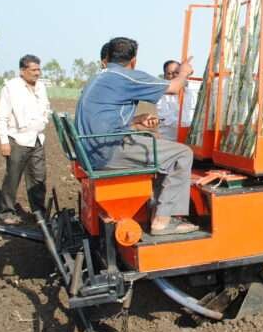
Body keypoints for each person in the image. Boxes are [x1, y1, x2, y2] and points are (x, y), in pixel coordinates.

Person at [76, 37, 197, 236]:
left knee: (157, 146)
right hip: (107, 151)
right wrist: (184, 71)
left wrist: (135, 121)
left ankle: (157, 210)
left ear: (107, 57)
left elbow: (103, 118)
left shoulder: (98, 78)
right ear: (133, 61)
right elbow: (174, 87)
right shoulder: (126, 76)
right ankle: (163, 221)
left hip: (90, 149)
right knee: (182, 153)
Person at [0, 55, 51, 224]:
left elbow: (46, 108)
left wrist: (44, 121)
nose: (37, 73)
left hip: (37, 139)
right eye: (33, 70)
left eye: (38, 69)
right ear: (22, 71)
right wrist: (4, 141)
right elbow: (1, 116)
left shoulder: (41, 87)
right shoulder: (11, 88)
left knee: (38, 178)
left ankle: (38, 212)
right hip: (17, 139)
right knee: (13, 177)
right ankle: (7, 212)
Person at [156, 60, 180, 141]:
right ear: (165, 76)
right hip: (168, 141)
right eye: (169, 73)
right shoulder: (160, 95)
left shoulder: (190, 92)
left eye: (176, 73)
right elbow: (168, 120)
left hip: (189, 141)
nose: (172, 76)